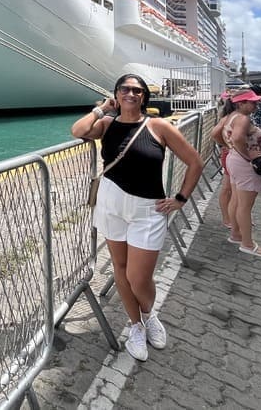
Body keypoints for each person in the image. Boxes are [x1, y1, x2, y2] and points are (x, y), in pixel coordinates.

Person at [72, 74, 204, 362]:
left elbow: (195, 161)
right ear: (117, 94)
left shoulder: (158, 126)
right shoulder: (106, 125)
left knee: (139, 277)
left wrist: (181, 198)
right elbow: (77, 129)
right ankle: (135, 326)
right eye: (125, 89)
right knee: (120, 268)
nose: (131, 94)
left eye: (137, 90)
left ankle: (149, 314)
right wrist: (101, 109)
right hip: (110, 205)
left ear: (144, 96)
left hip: (148, 211)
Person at [222, 89, 261, 259]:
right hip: (244, 164)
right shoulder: (243, 119)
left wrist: (234, 150)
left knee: (237, 201)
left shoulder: (231, 117)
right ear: (241, 103)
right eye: (252, 102)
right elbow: (237, 138)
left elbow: (218, 134)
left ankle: (236, 235)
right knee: (245, 206)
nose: (256, 104)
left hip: (234, 160)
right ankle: (248, 243)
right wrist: (249, 157)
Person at [210, 93, 235, 229]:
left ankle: (232, 217)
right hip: (231, 154)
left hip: (232, 154)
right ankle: (227, 218)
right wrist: (226, 146)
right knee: (227, 188)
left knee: (232, 189)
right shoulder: (228, 119)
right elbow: (214, 133)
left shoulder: (229, 118)